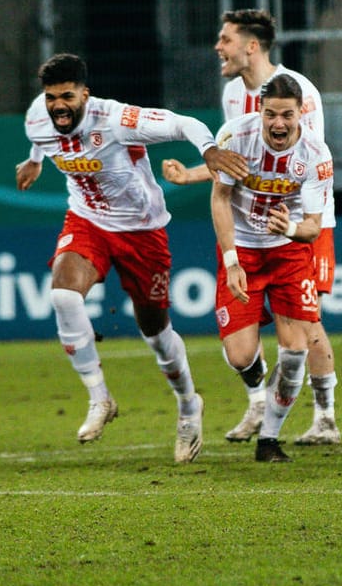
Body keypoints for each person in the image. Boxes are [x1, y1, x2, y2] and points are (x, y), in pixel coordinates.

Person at [15, 52, 245, 463]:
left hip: (142, 231)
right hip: (87, 220)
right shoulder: (38, 116)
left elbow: (184, 123)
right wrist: (33, 163)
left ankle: (189, 405)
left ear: (85, 94)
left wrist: (209, 151)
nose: (58, 106)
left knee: (155, 332)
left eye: (67, 96)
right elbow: (40, 139)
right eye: (51, 97)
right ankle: (100, 398)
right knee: (64, 296)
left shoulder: (117, 120)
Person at [161, 9, 341, 446]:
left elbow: (300, 164)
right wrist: (193, 173)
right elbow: (240, 165)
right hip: (253, 223)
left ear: (251, 46)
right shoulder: (231, 98)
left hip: (302, 221)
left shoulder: (301, 92)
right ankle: (260, 404)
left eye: (225, 39)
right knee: (247, 338)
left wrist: (297, 227)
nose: (218, 48)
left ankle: (325, 416)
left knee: (306, 320)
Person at [210, 72, 335, 462]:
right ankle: (258, 377)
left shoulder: (316, 155)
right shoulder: (235, 137)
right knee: (240, 357)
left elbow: (314, 227)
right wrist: (231, 261)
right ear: (259, 112)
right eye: (270, 115)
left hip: (288, 251)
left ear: (301, 114)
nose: (278, 124)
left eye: (286, 115)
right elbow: (219, 198)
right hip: (243, 249)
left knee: (296, 350)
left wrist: (291, 228)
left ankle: (270, 438)